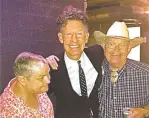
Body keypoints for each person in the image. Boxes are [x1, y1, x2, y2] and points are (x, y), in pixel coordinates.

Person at [46, 5, 104, 118]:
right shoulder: (52, 68)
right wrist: (40, 65)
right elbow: (31, 89)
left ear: (86, 37)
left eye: (79, 34)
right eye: (68, 34)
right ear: (60, 38)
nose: (74, 40)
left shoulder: (98, 53)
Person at [94, 21, 149, 118]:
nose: (116, 49)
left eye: (122, 45)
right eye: (111, 44)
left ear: (129, 48)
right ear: (104, 46)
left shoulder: (145, 73)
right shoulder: (93, 71)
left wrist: (145, 111)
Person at [0, 52, 54, 118]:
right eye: (41, 78)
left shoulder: (32, 80)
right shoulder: (10, 112)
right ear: (22, 80)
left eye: (47, 73)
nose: (48, 81)